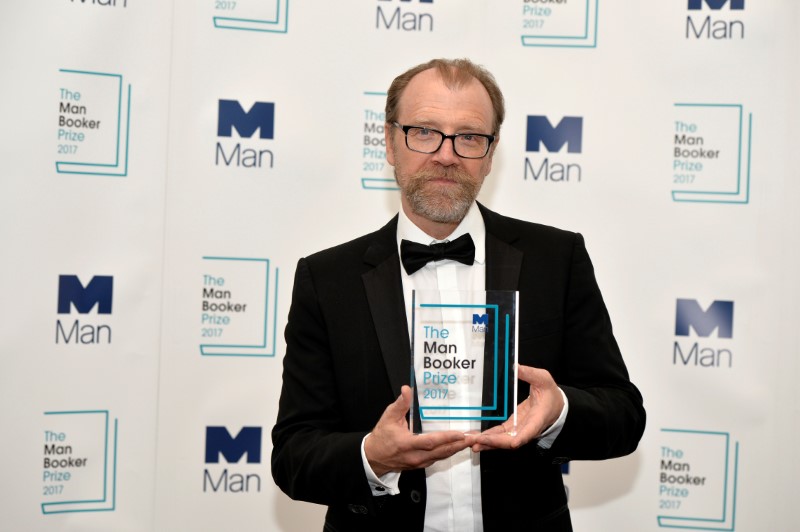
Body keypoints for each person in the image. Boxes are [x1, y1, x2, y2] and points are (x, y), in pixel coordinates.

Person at [271, 58, 645, 532]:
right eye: (424, 131)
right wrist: (372, 456)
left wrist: (558, 411)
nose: (446, 155)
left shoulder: (557, 258)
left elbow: (624, 415)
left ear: (490, 155)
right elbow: (293, 454)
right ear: (389, 142)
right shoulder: (327, 279)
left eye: (469, 137)